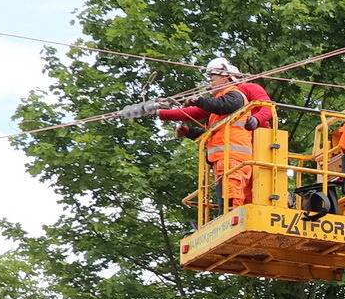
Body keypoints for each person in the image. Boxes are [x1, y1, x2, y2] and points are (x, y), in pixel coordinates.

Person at [115, 57, 273, 210]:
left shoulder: (241, 92)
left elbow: (267, 107)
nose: (210, 82)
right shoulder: (219, 108)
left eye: (212, 77)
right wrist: (162, 114)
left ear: (227, 77)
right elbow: (200, 121)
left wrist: (257, 120)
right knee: (235, 197)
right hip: (229, 156)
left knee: (238, 196)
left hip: (250, 150)